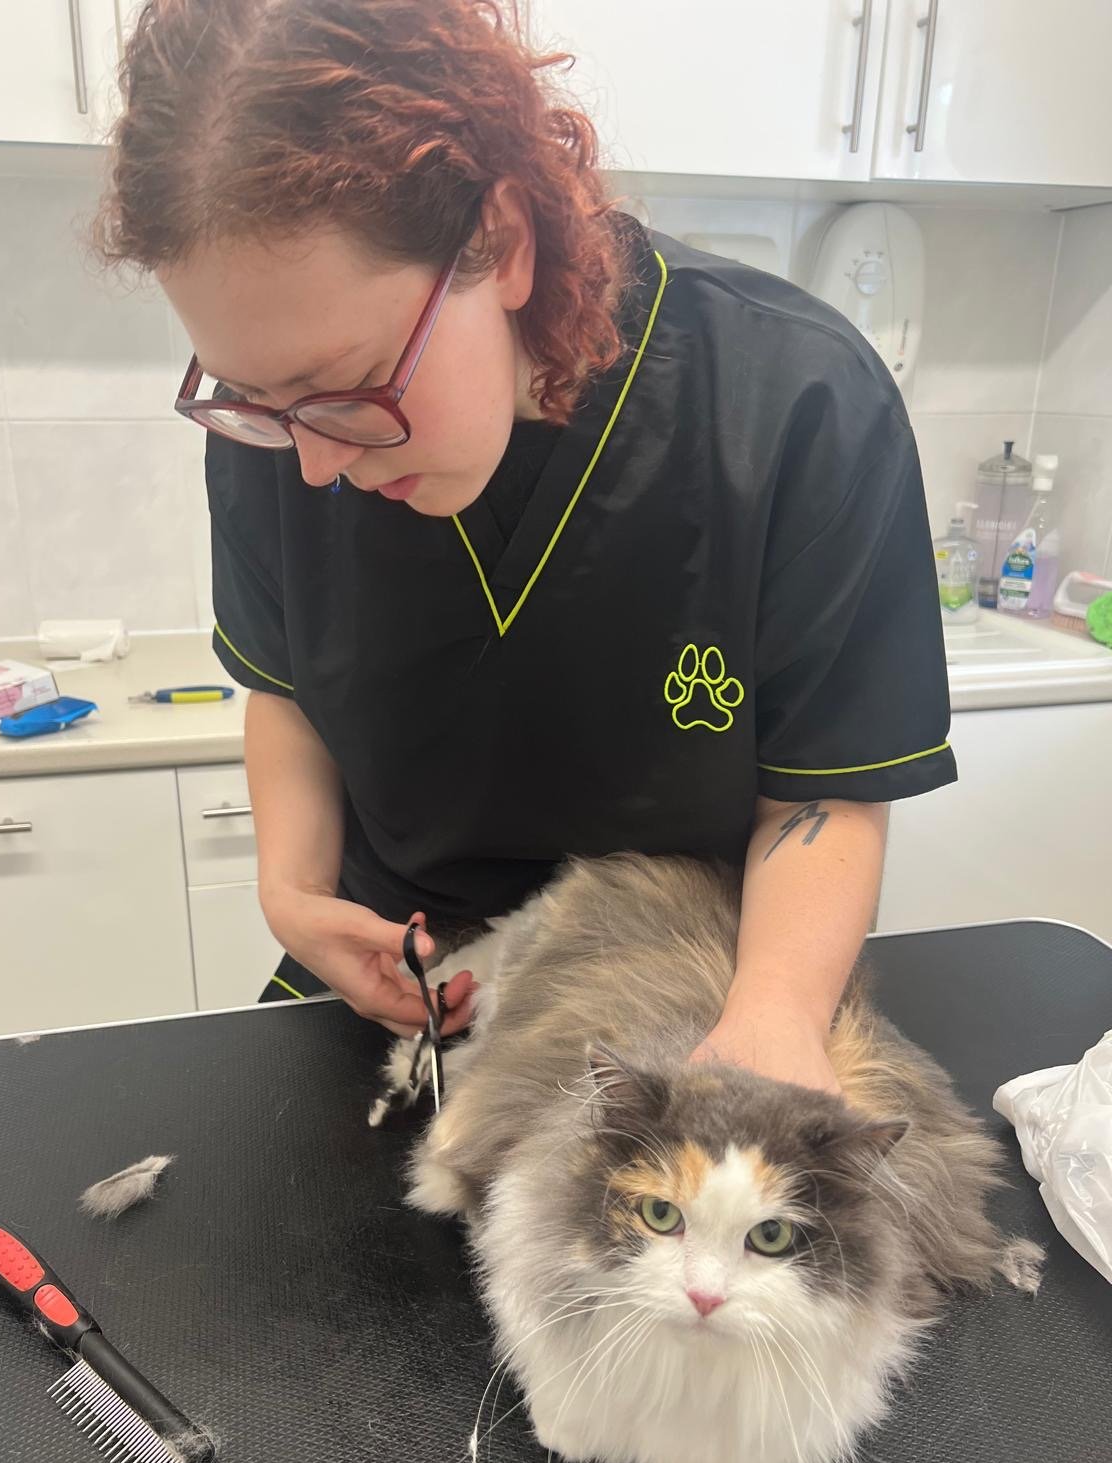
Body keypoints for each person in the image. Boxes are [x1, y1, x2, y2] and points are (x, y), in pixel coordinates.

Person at [97, 0, 955, 1094]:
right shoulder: (280, 431)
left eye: (343, 389)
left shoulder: (798, 403)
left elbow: (824, 794)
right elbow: (287, 686)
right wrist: (292, 892)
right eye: (257, 400)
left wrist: (775, 1018)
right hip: (398, 985)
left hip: (684, 1007)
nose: (309, 463)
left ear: (498, 242)